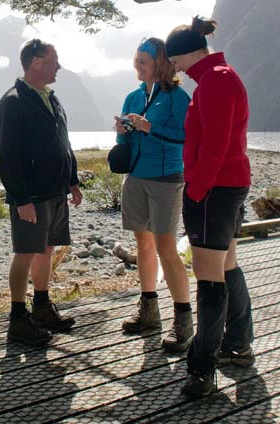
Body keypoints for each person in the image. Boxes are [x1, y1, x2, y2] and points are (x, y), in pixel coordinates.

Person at [165, 16, 254, 399]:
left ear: (188, 53)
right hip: (229, 186)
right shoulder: (221, 74)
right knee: (226, 265)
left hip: (214, 191)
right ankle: (238, 344)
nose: (176, 68)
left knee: (209, 280)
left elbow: (215, 143)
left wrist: (197, 190)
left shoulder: (215, 80)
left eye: (175, 60)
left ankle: (202, 368)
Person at [0, 39, 83, 346]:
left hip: (55, 191)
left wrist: (71, 180)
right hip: (31, 196)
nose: (58, 65)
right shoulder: (13, 102)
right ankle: (18, 320)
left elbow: (64, 143)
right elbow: (7, 156)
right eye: (54, 59)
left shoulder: (51, 99)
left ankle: (42, 308)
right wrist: (21, 199)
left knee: (46, 249)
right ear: (35, 62)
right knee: (26, 252)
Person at [114, 38, 192, 353]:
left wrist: (149, 129)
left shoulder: (177, 97)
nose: (137, 67)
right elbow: (128, 141)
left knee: (166, 247)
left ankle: (183, 321)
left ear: (159, 63)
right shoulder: (133, 96)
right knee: (143, 245)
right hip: (136, 178)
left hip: (167, 179)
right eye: (136, 61)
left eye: (143, 62)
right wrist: (122, 133)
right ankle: (149, 311)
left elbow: (186, 137)